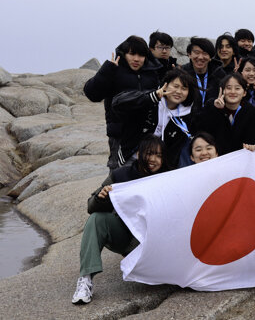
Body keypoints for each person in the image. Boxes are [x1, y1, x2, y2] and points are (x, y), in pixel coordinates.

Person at [72, 136, 168, 305]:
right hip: (127, 239)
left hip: (156, 242)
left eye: (159, 155)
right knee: (96, 220)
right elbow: (90, 207)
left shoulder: (168, 178)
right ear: (138, 154)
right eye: (149, 153)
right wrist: (102, 198)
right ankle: (85, 280)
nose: (154, 159)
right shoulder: (121, 175)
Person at [83, 35, 162, 169]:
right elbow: (92, 94)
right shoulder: (114, 71)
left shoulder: (152, 73)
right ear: (124, 53)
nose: (136, 59)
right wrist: (107, 70)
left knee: (147, 173)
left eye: (141, 55)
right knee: (119, 174)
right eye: (132, 54)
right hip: (120, 135)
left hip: (147, 134)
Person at [111, 68, 196, 170]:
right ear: (166, 85)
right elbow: (117, 103)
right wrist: (152, 97)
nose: (178, 91)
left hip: (155, 167)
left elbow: (174, 150)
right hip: (129, 159)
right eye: (175, 86)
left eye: (184, 88)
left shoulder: (185, 116)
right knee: (110, 185)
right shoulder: (150, 99)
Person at [195, 73, 255, 155]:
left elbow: (253, 138)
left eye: (237, 88)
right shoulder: (212, 105)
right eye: (228, 88)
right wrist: (217, 110)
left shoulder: (249, 110)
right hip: (216, 157)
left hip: (240, 157)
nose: (232, 92)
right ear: (222, 90)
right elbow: (202, 131)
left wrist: (251, 146)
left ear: (244, 93)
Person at [181, 37, 218, 108]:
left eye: (205, 53)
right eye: (196, 53)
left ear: (210, 57)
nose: (200, 57)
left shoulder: (219, 74)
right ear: (189, 54)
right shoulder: (182, 73)